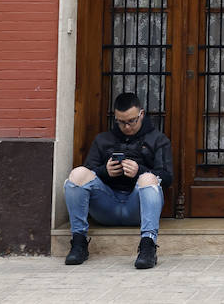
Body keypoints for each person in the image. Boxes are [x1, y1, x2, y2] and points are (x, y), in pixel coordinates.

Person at [63, 92, 173, 269]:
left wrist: (139, 171)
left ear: (141, 115)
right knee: (77, 174)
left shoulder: (158, 139)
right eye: (121, 122)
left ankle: (148, 247)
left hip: (137, 208)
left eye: (131, 121)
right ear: (115, 118)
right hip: (106, 206)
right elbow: (87, 176)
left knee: (148, 178)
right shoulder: (103, 139)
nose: (127, 127)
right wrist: (104, 172)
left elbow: (167, 178)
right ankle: (78, 242)